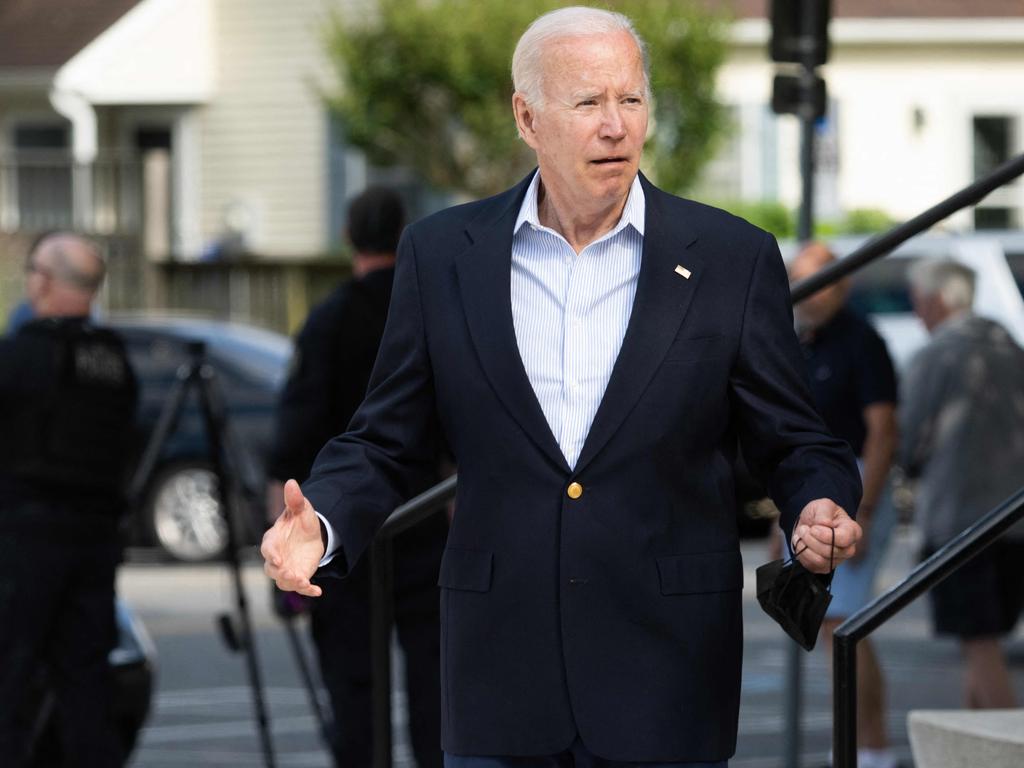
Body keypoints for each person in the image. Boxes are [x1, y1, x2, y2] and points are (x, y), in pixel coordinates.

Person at [263, 7, 864, 766]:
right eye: (588, 103)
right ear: (527, 117)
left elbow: (797, 438)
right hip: (498, 678)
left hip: (667, 675)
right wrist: (321, 525)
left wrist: (818, 501)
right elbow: (386, 436)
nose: (616, 127)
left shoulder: (729, 258)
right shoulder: (444, 254)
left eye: (632, 100)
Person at [266, 186, 446, 768]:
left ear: (348, 238)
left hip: (339, 524)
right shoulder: (432, 308)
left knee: (355, 695)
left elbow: (293, 436)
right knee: (438, 693)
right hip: (429, 516)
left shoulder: (329, 319)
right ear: (403, 232)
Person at [0, 232, 139, 767]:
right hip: (94, 544)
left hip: (24, 543)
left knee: (9, 684)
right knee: (86, 689)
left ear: (44, 280)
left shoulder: (20, 358)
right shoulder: (114, 362)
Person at [788, 243, 900, 768]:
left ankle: (870, 749)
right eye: (799, 280)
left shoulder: (863, 340)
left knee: (842, 625)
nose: (806, 292)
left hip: (851, 488)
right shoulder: (800, 340)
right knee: (827, 625)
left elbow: (883, 431)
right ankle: (855, 747)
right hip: (810, 489)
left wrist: (867, 508)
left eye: (818, 281)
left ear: (844, 285)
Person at [901, 259, 1024, 709]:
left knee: (979, 646)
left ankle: (1007, 752)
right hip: (1012, 518)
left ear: (936, 301)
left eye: (917, 303)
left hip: (959, 522)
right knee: (982, 645)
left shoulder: (937, 355)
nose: (916, 314)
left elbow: (907, 437)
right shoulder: (1011, 346)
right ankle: (973, 753)